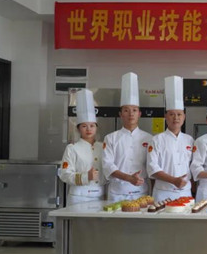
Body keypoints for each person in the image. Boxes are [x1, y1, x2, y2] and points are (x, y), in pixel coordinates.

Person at [102, 72, 152, 202]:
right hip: (117, 193)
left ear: (139, 114)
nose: (131, 114)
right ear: (120, 114)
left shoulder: (149, 139)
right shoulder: (110, 138)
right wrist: (128, 178)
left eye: (134, 110)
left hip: (141, 192)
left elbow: (152, 165)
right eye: (126, 110)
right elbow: (107, 165)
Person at [147, 76, 194, 203]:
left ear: (184, 117)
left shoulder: (189, 140)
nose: (176, 118)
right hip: (163, 193)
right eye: (172, 114)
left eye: (179, 114)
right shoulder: (156, 140)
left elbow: (193, 166)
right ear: (166, 117)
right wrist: (173, 180)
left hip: (185, 192)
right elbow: (152, 168)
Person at [59, 89, 105, 205]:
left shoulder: (102, 147)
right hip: (78, 198)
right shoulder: (72, 148)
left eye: (92, 126)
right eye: (84, 126)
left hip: (99, 197)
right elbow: (64, 174)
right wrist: (86, 177)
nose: (88, 129)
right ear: (78, 128)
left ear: (96, 128)